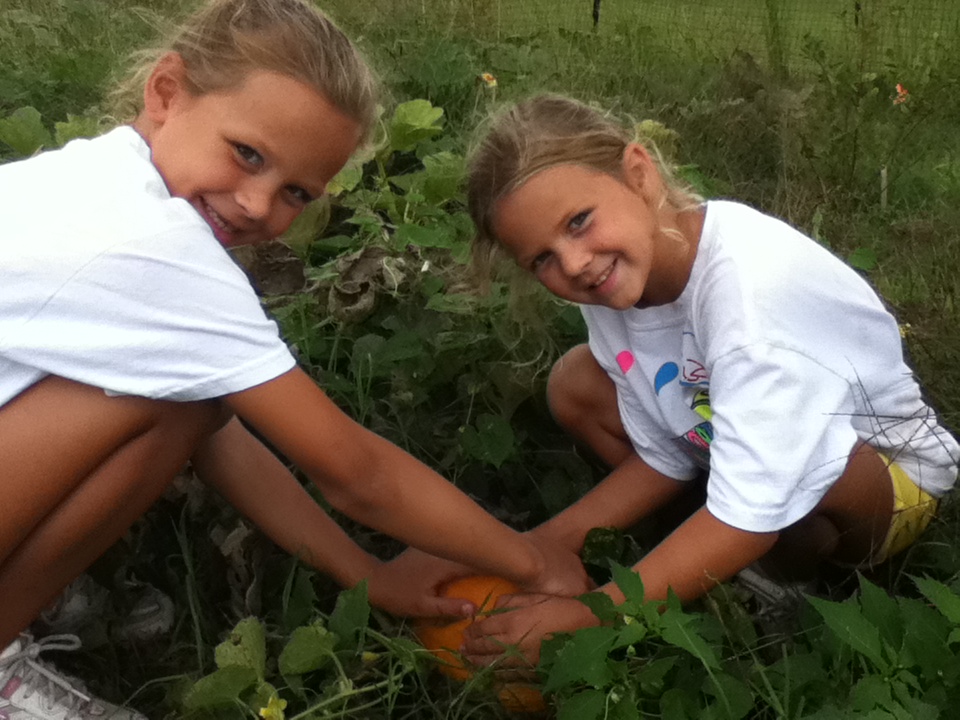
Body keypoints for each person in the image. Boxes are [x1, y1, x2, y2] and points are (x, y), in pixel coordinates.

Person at [0, 6, 589, 718]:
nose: (257, 204)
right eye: (248, 154)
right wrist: (533, 561)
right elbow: (356, 473)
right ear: (166, 92)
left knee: (186, 404)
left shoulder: (95, 180)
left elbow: (217, 434)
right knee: (169, 403)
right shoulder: (155, 245)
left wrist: (365, 573)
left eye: (297, 193)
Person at [456, 94, 959, 668]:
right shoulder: (618, 275)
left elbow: (760, 497)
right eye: (542, 258)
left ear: (639, 174)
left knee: (782, 487)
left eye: (578, 222)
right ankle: (708, 542)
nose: (573, 264)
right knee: (577, 383)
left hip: (886, 479)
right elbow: (663, 452)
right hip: (741, 441)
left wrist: (590, 617)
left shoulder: (748, 302)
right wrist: (540, 546)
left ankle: (781, 583)